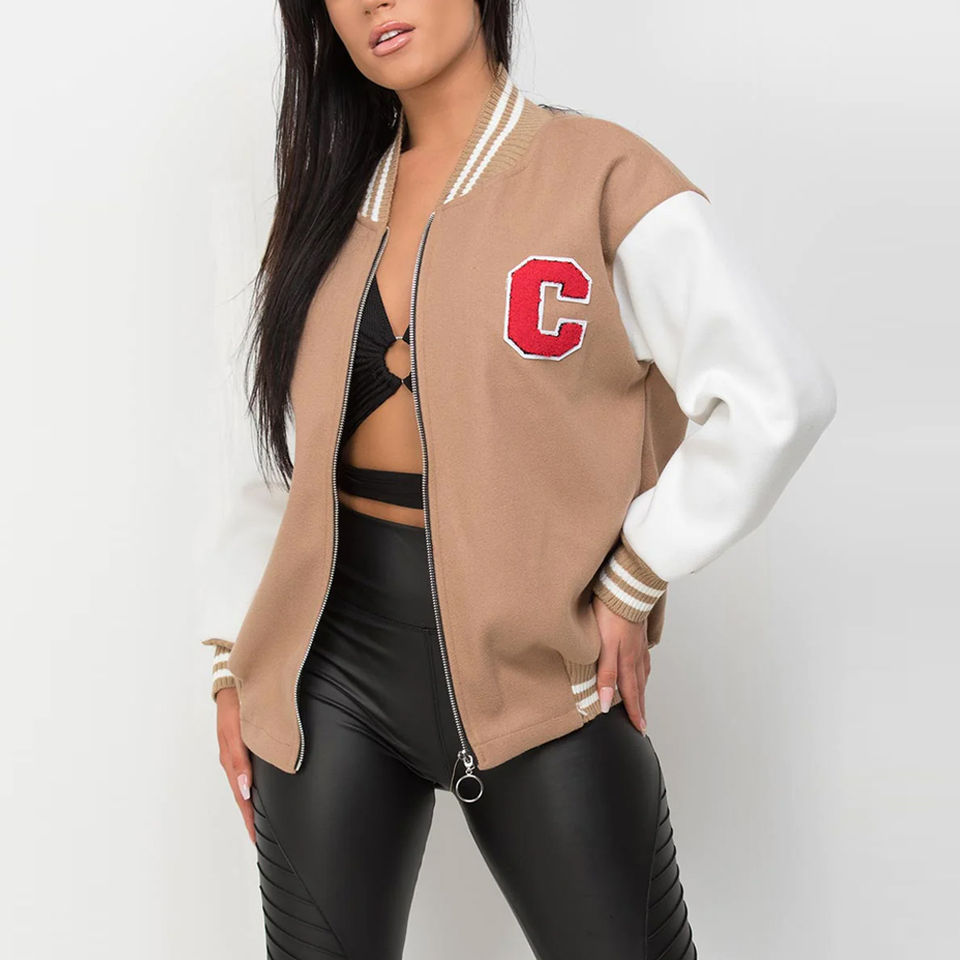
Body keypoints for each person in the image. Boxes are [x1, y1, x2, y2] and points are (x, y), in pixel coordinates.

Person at [198, 1, 837, 958]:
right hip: (324, 679)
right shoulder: (320, 206)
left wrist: (638, 571)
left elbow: (779, 396)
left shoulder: (603, 178)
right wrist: (232, 657)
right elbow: (263, 454)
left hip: (544, 677)